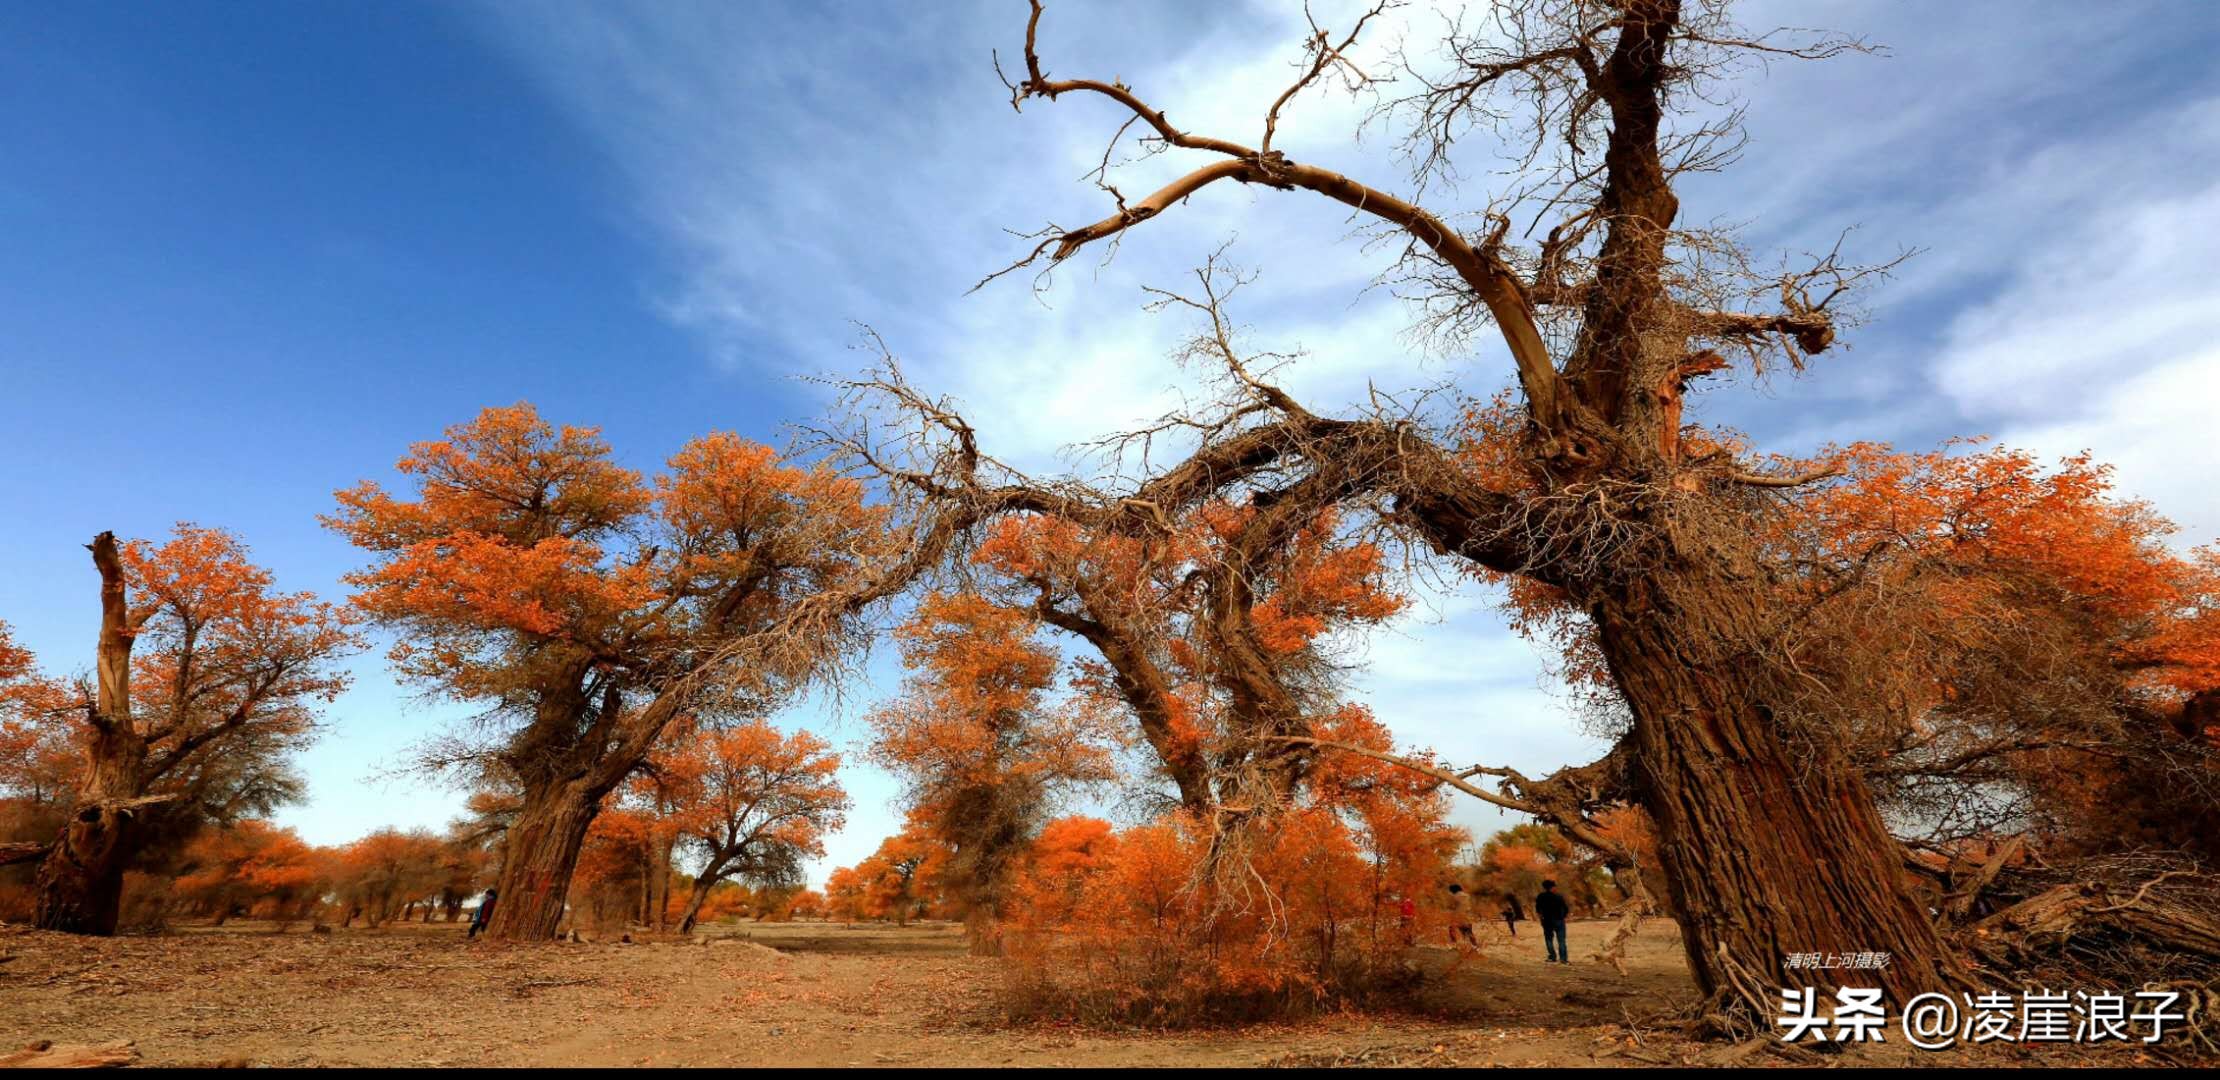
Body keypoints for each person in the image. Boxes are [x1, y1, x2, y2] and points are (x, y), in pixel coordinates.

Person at [1535, 879, 1570, 963]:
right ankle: (1563, 959)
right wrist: (1564, 917)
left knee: (1548, 939)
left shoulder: (1541, 896)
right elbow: (1565, 908)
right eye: (1555, 886)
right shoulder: (1558, 896)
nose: (1556, 888)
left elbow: (1538, 910)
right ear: (1552, 887)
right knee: (1561, 940)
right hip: (1559, 920)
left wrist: (1541, 919)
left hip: (1547, 921)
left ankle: (1552, 957)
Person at [1445, 883, 1479, 948]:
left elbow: (1451, 906)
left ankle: (1454, 945)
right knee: (1468, 933)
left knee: (1451, 930)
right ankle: (1475, 946)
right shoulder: (1467, 896)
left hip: (1458, 916)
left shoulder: (1454, 896)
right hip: (1467, 916)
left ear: (1453, 890)